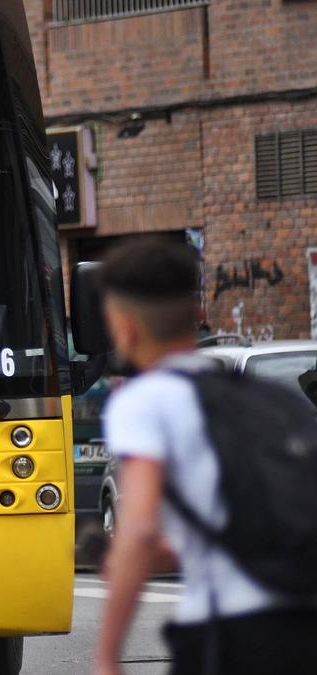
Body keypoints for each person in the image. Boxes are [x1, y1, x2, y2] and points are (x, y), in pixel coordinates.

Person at [94, 238, 317, 675]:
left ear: (124, 326)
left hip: (229, 635)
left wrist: (106, 656)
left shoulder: (146, 400)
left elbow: (138, 528)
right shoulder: (271, 399)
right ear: (197, 314)